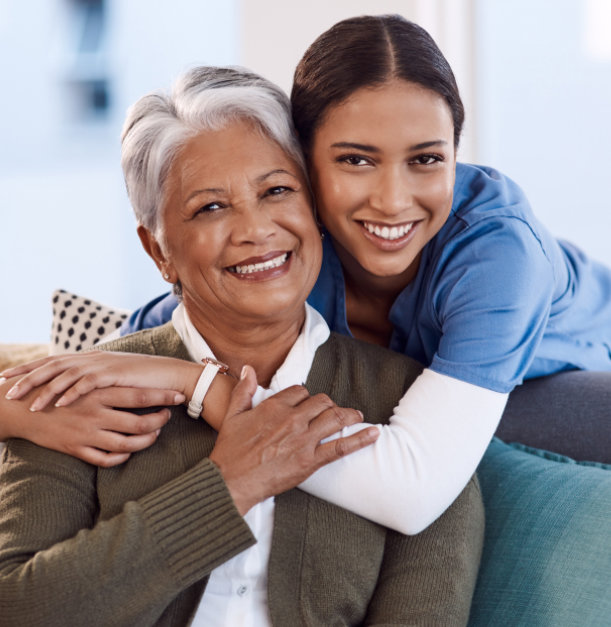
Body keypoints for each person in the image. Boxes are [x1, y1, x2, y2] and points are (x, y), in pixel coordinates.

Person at [0, 65, 484, 626]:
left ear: (316, 209)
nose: (255, 230)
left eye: (277, 191)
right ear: (159, 251)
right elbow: (18, 608)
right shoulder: (81, 391)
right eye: (210, 207)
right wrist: (228, 486)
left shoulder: (409, 412)